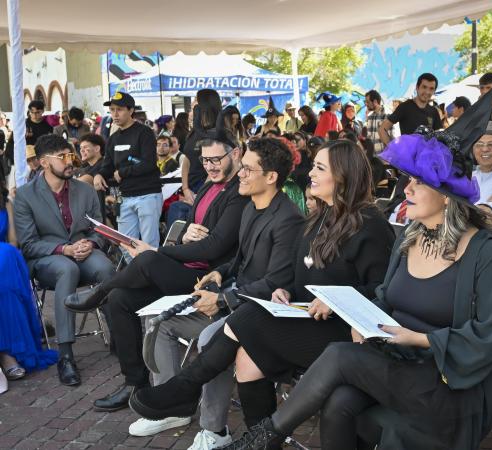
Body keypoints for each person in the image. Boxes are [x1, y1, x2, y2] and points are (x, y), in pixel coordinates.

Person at [224, 86, 492, 450]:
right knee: (339, 402)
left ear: (447, 196)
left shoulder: (485, 256)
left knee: (338, 356)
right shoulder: (411, 238)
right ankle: (264, 437)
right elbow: (383, 295)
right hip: (396, 360)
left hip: (445, 380)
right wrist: (361, 320)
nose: (406, 189)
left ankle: (263, 437)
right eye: (408, 180)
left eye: (418, 182)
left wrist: (420, 338)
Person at [130, 140, 394, 448]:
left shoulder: (370, 224)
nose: (310, 173)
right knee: (247, 358)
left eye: (320, 168)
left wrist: (336, 300)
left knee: (250, 315)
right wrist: (285, 291)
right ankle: (258, 440)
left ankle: (185, 388)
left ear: (344, 176)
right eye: (314, 166)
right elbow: (300, 277)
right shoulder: (320, 218)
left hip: (344, 331)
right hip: (308, 318)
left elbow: (383, 291)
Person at [128, 138, 305, 446]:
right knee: (161, 321)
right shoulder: (252, 206)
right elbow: (243, 259)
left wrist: (223, 298)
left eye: (247, 169)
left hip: (258, 311)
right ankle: (173, 409)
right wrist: (221, 271)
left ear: (271, 177)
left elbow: (276, 281)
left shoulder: (288, 218)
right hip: (236, 300)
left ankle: (214, 431)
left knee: (212, 339)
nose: (240, 174)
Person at [65, 126, 248, 414]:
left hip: (208, 280)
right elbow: (190, 229)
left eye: (216, 160)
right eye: (205, 160)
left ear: (235, 154)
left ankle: (100, 291)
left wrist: (157, 251)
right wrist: (185, 233)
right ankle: (135, 384)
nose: (210, 166)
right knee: (120, 300)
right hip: (183, 269)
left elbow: (214, 248)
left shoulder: (239, 191)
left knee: (149, 259)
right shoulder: (208, 186)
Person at [13, 134, 115, 386]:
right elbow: (28, 243)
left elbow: (100, 229)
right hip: (47, 258)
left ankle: (120, 335)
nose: (70, 161)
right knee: (66, 269)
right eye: (62, 157)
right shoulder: (25, 195)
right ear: (44, 162)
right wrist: (64, 249)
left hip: (84, 251)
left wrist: (91, 243)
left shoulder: (85, 189)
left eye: (71, 155)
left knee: (106, 267)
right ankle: (66, 355)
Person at [0, 175, 58, 388]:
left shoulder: (6, 202)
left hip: (4, 256)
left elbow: (14, 240)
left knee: (6, 255)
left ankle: (7, 353)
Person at [94, 92, 163, 259]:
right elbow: (107, 165)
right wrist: (99, 175)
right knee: (126, 246)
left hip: (148, 194)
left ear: (131, 110)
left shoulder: (144, 132)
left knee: (149, 245)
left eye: (119, 109)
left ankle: (150, 275)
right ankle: (136, 274)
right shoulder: (113, 138)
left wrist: (122, 172)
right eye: (112, 110)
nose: (115, 114)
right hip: (125, 197)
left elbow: (148, 163)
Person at [379, 73, 442, 145]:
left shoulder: (434, 111)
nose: (427, 92)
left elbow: (439, 138)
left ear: (434, 91)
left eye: (431, 89)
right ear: (417, 87)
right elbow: (382, 129)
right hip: (408, 151)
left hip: (427, 152)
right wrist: (393, 148)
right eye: (424, 87)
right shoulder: (405, 107)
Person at [183, 89, 223, 192]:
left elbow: (216, 166)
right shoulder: (194, 131)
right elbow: (187, 159)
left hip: (208, 187)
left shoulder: (216, 132)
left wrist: (202, 193)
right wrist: (185, 188)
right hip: (191, 187)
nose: (192, 104)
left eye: (196, 100)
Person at [4, 100, 53, 172]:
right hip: (26, 162)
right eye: (32, 112)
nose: (34, 115)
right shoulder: (22, 125)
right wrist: (22, 138)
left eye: (37, 112)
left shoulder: (48, 126)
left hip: (43, 159)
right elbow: (11, 143)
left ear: (42, 111)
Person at [363, 89, 390, 154]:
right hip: (373, 157)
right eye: (365, 102)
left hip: (385, 157)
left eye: (367, 102)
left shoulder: (387, 115)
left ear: (375, 101)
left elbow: (392, 139)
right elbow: (369, 138)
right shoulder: (369, 117)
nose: (366, 104)